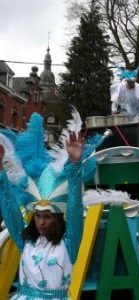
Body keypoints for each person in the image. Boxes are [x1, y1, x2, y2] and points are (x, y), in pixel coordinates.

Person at [0, 110, 102, 299]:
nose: (41, 222)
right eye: (38, 216)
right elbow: (11, 212)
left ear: (57, 217)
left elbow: (74, 209)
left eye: (47, 216)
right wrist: (1, 175)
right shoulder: (27, 243)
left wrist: (75, 165)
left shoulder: (69, 244)